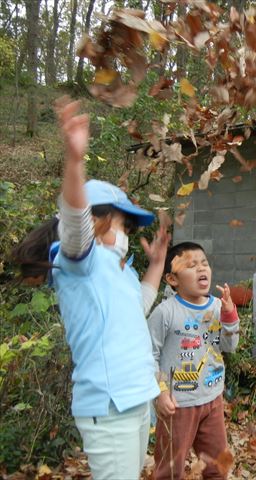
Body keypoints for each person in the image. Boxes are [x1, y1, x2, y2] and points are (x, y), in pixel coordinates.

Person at [12, 97, 170, 479]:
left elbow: (140, 306)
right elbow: (74, 222)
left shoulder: (119, 271)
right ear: (97, 222)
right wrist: (74, 162)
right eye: (122, 224)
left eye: (131, 230)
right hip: (109, 405)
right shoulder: (78, 261)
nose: (127, 235)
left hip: (136, 400)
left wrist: (157, 266)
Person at [148, 241, 239, 480]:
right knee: (169, 470)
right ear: (172, 279)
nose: (201, 269)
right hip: (176, 406)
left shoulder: (219, 306)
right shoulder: (165, 312)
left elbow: (230, 346)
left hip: (212, 400)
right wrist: (160, 392)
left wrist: (230, 316)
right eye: (191, 265)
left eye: (204, 263)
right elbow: (149, 356)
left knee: (217, 467)